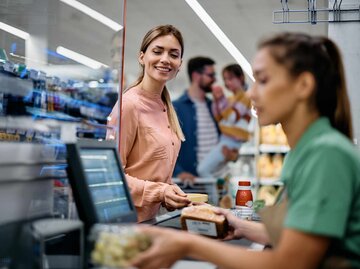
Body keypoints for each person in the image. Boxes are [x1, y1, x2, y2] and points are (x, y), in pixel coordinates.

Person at [130, 32, 360, 268]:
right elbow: (298, 237)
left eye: (262, 80)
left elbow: (290, 263)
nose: (250, 93)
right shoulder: (308, 150)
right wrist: (238, 224)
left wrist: (188, 245)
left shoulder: (325, 154)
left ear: (303, 85)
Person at [106, 24, 191, 222]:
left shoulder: (166, 107)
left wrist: (171, 194)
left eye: (173, 54)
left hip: (151, 222)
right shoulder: (128, 105)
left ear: (179, 63)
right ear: (142, 57)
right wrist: (160, 192)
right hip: (125, 224)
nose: (165, 59)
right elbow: (111, 177)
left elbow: (152, 172)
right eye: (157, 51)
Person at [172, 56, 238, 182]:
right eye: (211, 75)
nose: (214, 80)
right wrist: (178, 172)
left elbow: (227, 138)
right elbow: (165, 148)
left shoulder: (214, 106)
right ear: (196, 76)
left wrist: (232, 155)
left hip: (219, 182)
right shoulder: (176, 108)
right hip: (193, 185)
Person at [197, 64, 253, 177]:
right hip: (225, 140)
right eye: (225, 79)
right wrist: (217, 101)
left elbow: (232, 118)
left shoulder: (245, 98)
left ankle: (212, 195)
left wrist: (221, 100)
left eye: (231, 78)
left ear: (241, 77)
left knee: (203, 170)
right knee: (212, 172)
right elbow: (218, 118)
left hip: (231, 141)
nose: (227, 82)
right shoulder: (231, 99)